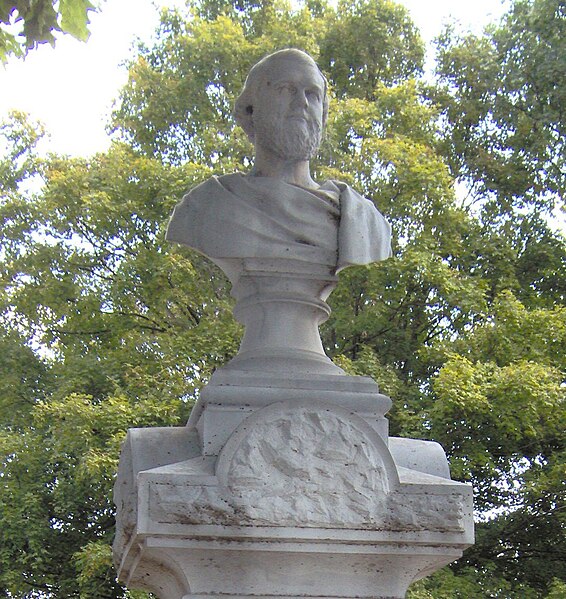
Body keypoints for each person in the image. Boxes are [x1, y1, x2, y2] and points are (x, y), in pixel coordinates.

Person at [166, 49, 391, 274]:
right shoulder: (208, 204)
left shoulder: (359, 218)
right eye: (285, 89)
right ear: (251, 110)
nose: (301, 102)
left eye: (312, 94)